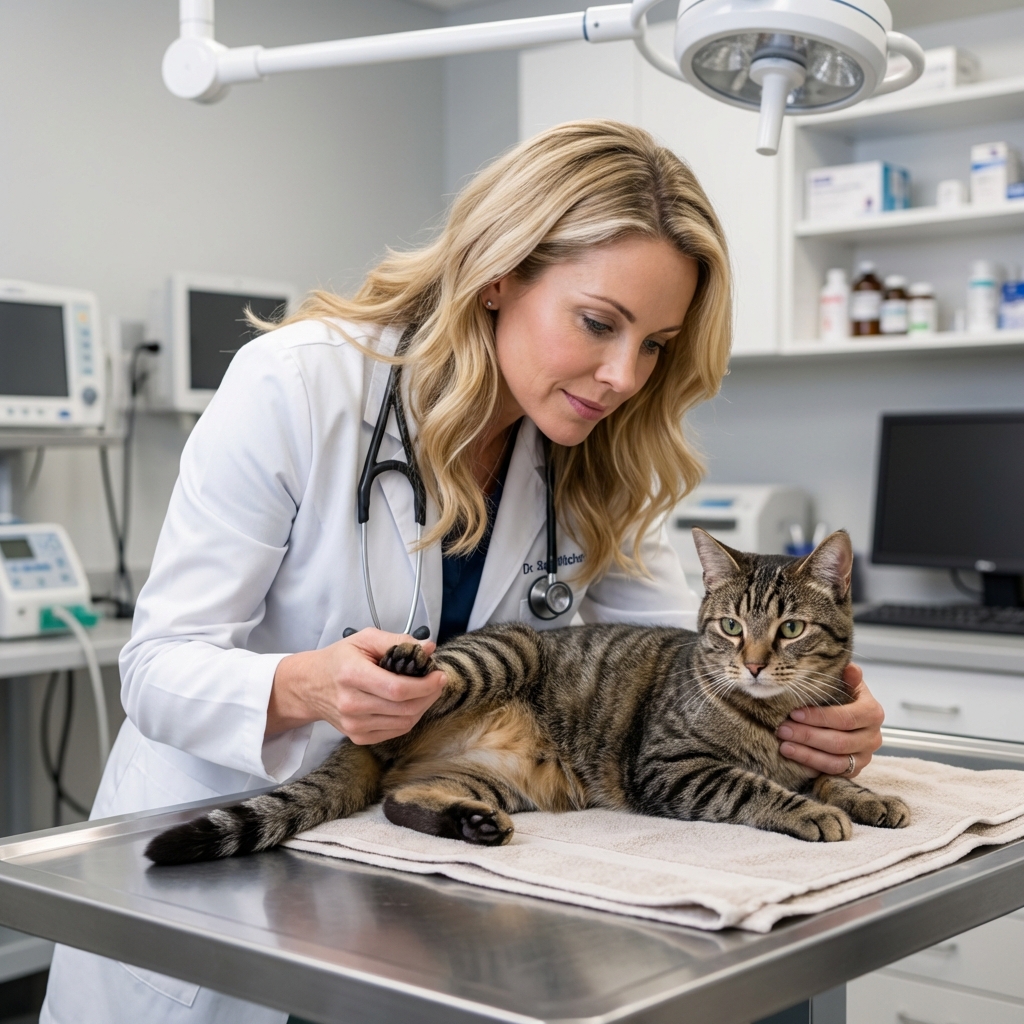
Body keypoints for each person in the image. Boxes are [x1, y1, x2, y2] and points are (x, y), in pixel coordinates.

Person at [41, 120, 884, 1024]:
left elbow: (683, 665)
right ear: (498, 274)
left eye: (656, 344)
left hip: (432, 875)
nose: (622, 376)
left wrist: (820, 714)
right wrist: (307, 686)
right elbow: (157, 670)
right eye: (599, 323)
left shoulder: (606, 452)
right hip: (241, 868)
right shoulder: (297, 386)